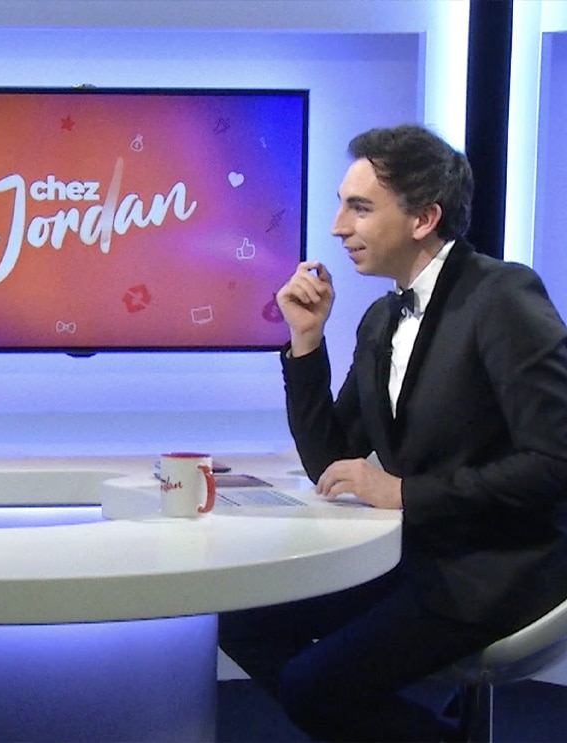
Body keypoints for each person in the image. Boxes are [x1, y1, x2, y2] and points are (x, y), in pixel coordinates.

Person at [218, 124, 567, 741]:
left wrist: (405, 492)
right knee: (241, 624)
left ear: (423, 218)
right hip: (420, 557)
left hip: (499, 567)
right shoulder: (381, 318)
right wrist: (306, 341)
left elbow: (555, 461)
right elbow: (331, 463)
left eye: (359, 207)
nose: (337, 227)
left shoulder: (502, 296)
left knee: (314, 685)